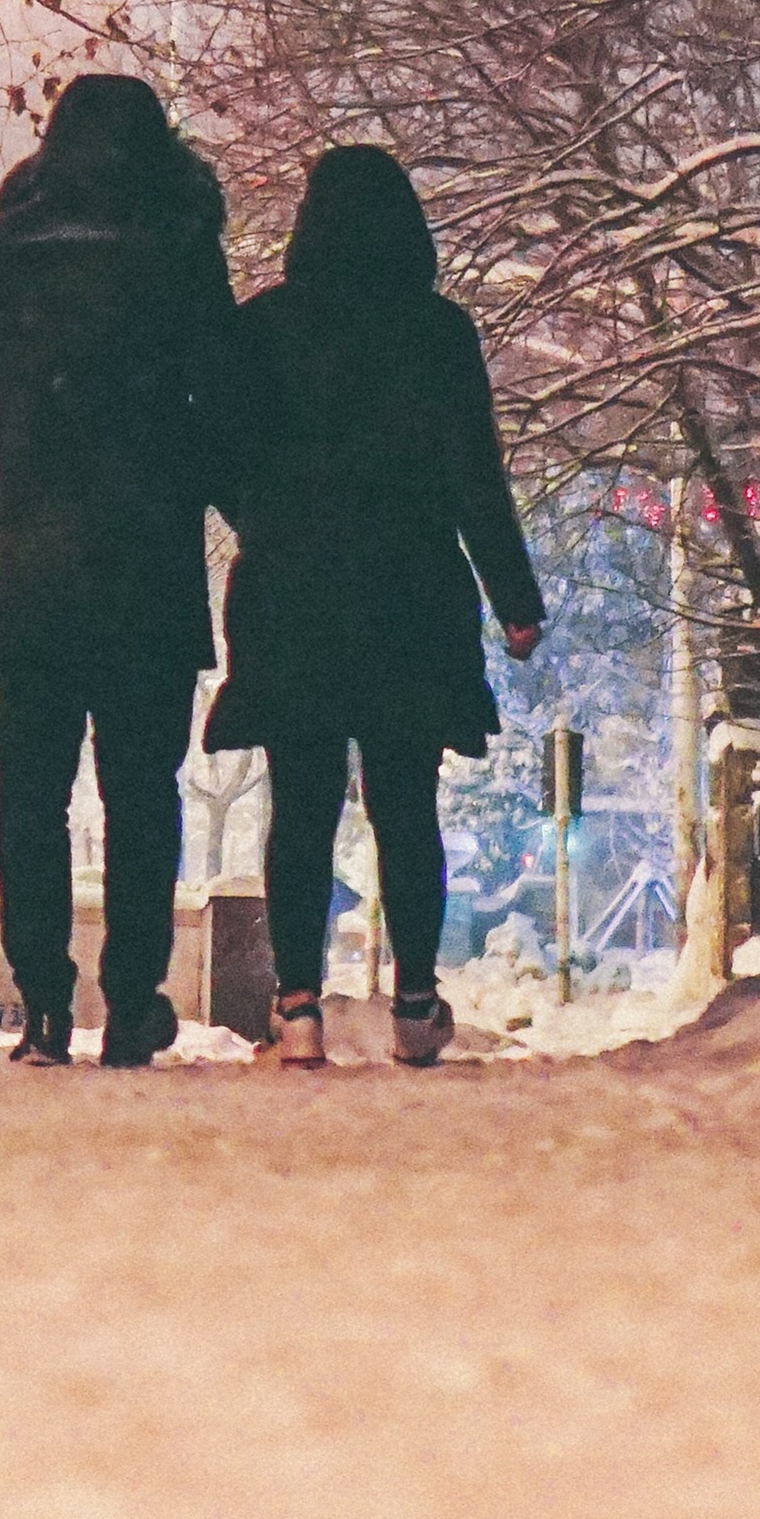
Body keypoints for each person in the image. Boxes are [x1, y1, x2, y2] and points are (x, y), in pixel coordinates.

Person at [0, 74, 238, 1068]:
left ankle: (42, 1002)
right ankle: (132, 999)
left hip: (31, 565)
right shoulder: (180, 255)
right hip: (143, 566)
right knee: (143, 791)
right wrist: (182, 484)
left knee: (31, 794)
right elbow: (224, 402)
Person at [204, 145, 543, 1068]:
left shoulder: (261, 328)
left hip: (294, 593)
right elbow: (477, 475)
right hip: (410, 593)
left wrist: (273, 523)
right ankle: (417, 1001)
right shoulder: (438, 334)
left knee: (303, 806)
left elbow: (225, 459)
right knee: (406, 806)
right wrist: (515, 598)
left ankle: (299, 1004)